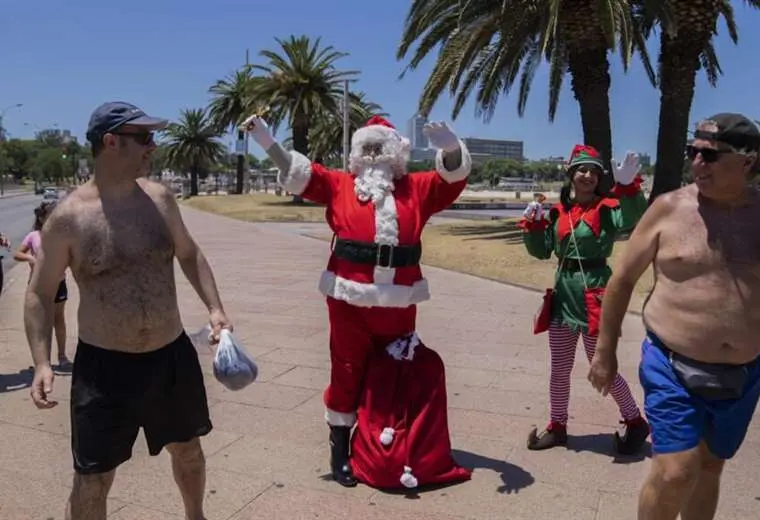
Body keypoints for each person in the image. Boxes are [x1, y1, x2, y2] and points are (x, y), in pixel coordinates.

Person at [24, 101, 232, 520]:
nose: (153, 147)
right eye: (145, 138)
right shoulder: (68, 219)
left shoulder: (160, 199)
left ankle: (196, 516)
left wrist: (215, 308)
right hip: (104, 370)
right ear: (111, 141)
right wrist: (42, 363)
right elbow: (39, 294)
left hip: (169, 357)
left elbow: (189, 254)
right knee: (93, 478)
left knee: (188, 450)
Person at [241, 113, 472, 487]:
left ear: (397, 152)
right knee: (346, 371)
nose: (373, 155)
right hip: (348, 299)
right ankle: (339, 450)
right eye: (367, 148)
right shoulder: (339, 184)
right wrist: (267, 141)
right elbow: (300, 174)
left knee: (396, 372)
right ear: (357, 152)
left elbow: (452, 179)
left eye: (380, 148)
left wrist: (449, 148)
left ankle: (392, 445)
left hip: (398, 302)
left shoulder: (417, 189)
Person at [589, 113, 760, 520]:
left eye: (710, 155)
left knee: (710, 466)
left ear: (748, 160)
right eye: (692, 152)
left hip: (744, 371)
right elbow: (621, 281)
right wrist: (604, 350)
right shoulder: (668, 209)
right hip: (671, 364)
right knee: (676, 471)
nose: (697, 163)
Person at [520, 144, 650, 453]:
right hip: (564, 298)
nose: (587, 175)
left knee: (602, 365)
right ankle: (558, 426)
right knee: (560, 369)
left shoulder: (607, 208)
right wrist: (535, 228)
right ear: (570, 175)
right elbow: (541, 250)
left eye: (593, 170)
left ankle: (634, 421)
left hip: (596, 297)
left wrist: (629, 188)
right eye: (581, 169)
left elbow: (632, 220)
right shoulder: (558, 212)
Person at [15, 201, 72, 370]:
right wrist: (30, 259)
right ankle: (42, 361)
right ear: (41, 218)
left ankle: (62, 356)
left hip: (59, 283)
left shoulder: (62, 235)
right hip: (38, 286)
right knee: (40, 323)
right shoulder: (34, 236)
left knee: (58, 319)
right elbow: (18, 254)